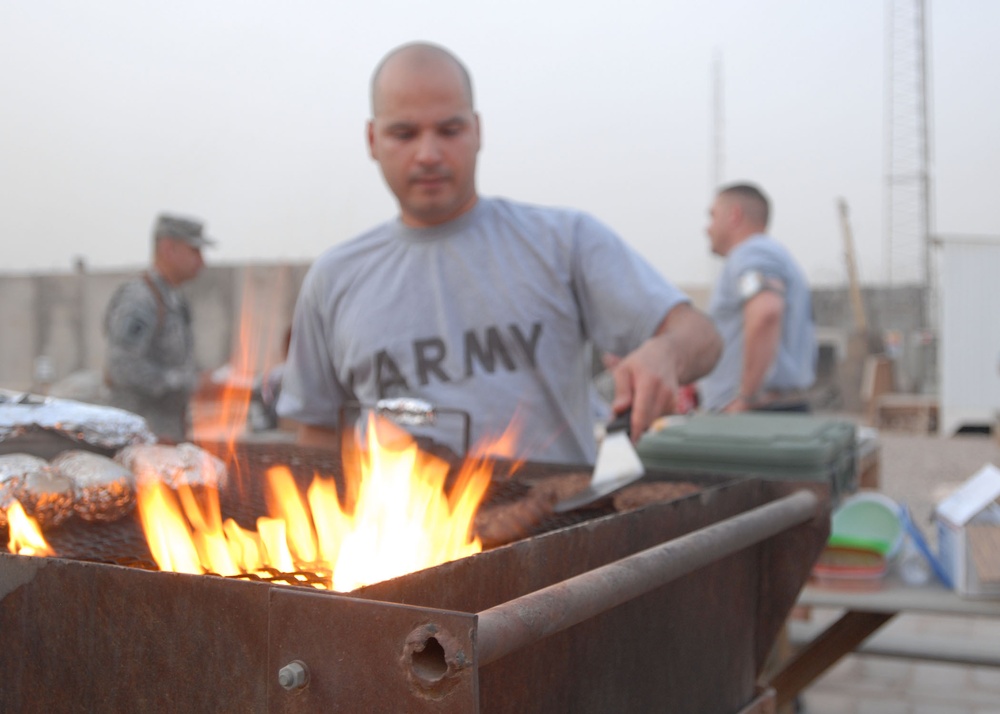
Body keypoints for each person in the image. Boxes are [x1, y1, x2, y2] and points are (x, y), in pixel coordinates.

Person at [276, 42, 722, 464]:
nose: (428, 154)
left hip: (564, 534)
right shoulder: (335, 278)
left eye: (449, 130)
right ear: (373, 140)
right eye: (404, 133)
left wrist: (667, 353)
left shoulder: (563, 242)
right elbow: (316, 431)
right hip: (405, 539)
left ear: (477, 131)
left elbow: (701, 336)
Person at [698, 183, 817, 413]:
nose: (707, 228)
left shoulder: (752, 252)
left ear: (734, 215)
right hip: (770, 413)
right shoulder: (770, 254)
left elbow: (766, 312)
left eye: (713, 216)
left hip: (757, 417)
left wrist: (747, 398)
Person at [103, 213, 215, 442]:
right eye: (194, 251)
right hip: (141, 439)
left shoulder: (172, 299)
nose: (201, 261)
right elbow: (122, 367)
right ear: (168, 249)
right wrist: (187, 382)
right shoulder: (141, 299)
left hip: (167, 435)